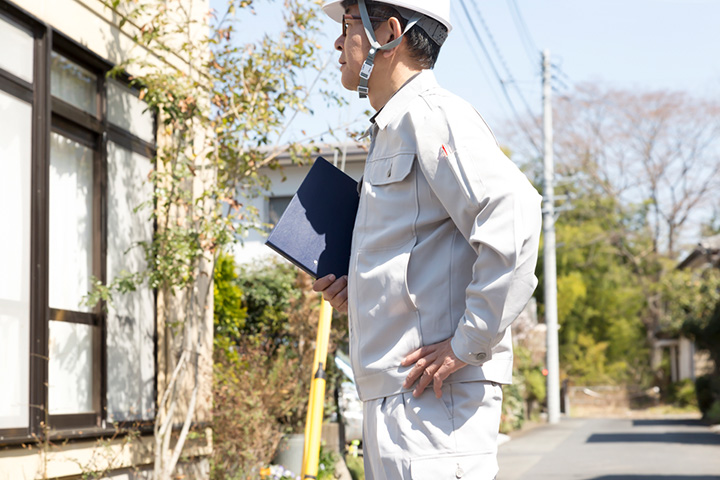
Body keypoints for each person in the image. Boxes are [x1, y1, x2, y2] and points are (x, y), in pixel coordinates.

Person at [313, 1, 542, 478]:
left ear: (390, 33)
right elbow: (418, 259)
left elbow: (515, 211)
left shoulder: (431, 115)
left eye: (348, 24)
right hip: (399, 398)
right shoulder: (393, 126)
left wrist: (469, 343)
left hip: (434, 405)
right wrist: (358, 293)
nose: (337, 41)